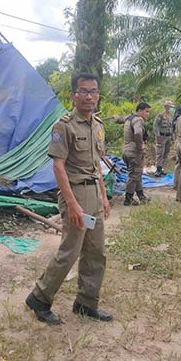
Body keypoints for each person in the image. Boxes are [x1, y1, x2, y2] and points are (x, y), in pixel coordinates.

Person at [25, 73, 112, 325]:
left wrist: (104, 197)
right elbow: (58, 167)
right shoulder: (64, 126)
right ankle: (40, 297)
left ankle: (86, 302)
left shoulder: (97, 125)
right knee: (70, 251)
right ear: (73, 95)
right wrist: (72, 203)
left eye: (93, 91)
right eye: (83, 91)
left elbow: (96, 165)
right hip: (76, 195)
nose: (89, 96)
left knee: (96, 251)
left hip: (94, 194)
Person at [123, 102, 152, 206]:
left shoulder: (129, 118)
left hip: (126, 151)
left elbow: (119, 119)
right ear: (139, 111)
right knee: (134, 175)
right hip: (134, 152)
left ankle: (141, 196)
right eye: (146, 111)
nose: (148, 114)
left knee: (137, 175)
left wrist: (116, 117)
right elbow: (138, 133)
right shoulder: (138, 120)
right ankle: (128, 198)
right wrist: (140, 147)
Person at [153, 101, 174, 177]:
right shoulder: (161, 115)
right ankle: (158, 169)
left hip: (168, 136)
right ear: (166, 107)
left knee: (166, 153)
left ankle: (161, 168)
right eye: (170, 107)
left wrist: (172, 138)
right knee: (160, 153)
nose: (171, 108)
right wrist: (157, 136)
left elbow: (171, 127)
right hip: (161, 137)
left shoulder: (171, 116)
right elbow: (155, 126)